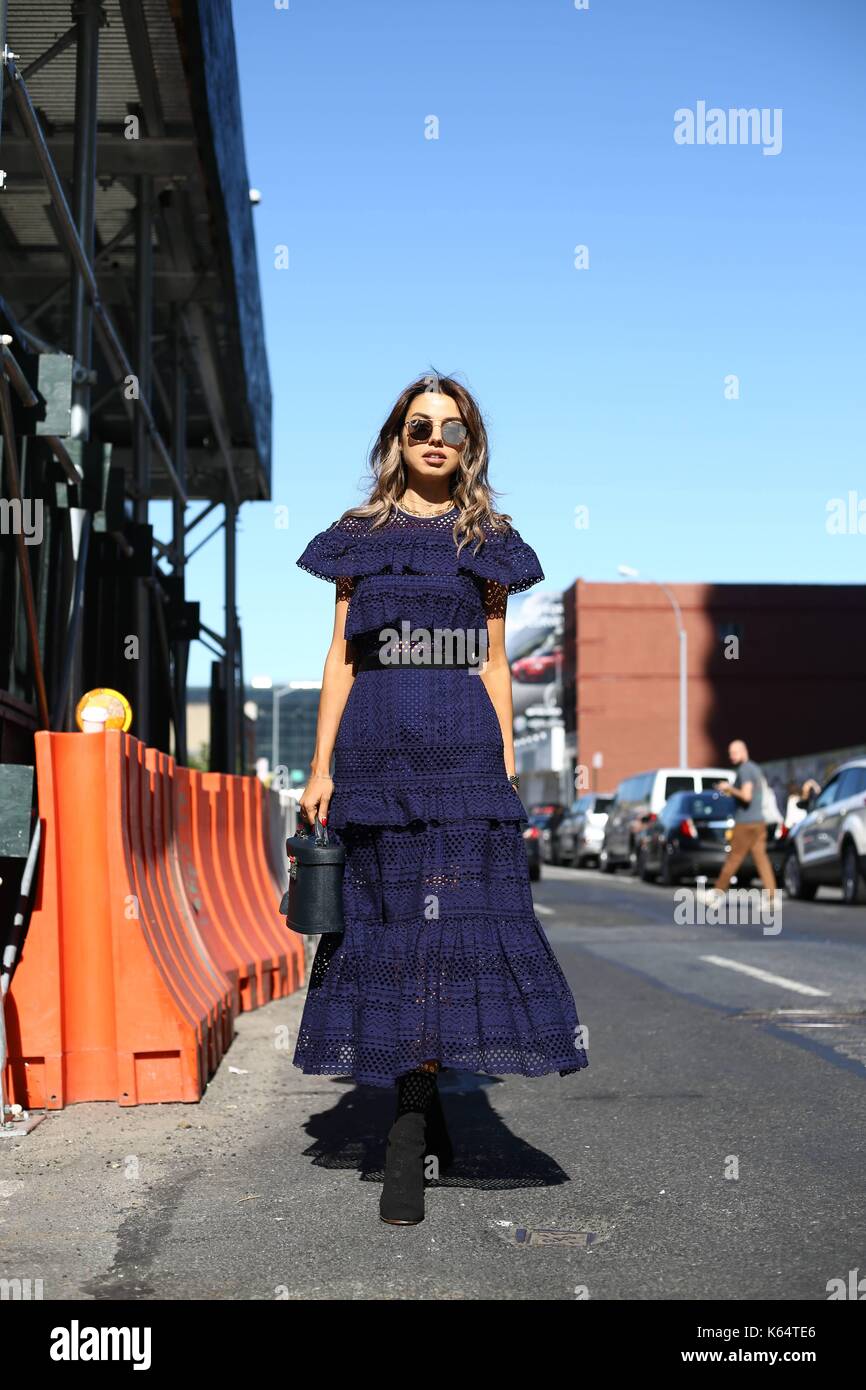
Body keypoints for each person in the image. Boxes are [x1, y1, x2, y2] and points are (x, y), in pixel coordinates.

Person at [293, 372, 589, 1226]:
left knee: (447, 931)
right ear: (395, 439)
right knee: (387, 928)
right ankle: (418, 1110)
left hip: (462, 750)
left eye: (452, 430)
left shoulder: (488, 539)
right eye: (419, 426)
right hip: (373, 752)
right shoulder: (357, 536)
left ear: (469, 447)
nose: (435, 439)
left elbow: (495, 662)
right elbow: (341, 657)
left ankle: (409, 1125)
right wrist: (319, 765)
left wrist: (499, 763)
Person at [713, 739, 777, 895]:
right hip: (759, 822)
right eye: (730, 753)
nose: (731, 756)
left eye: (734, 753)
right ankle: (772, 897)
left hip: (745, 822)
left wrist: (729, 788)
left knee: (733, 859)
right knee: (762, 860)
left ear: (743, 751)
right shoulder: (755, 769)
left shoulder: (745, 770)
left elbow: (747, 796)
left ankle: (717, 893)